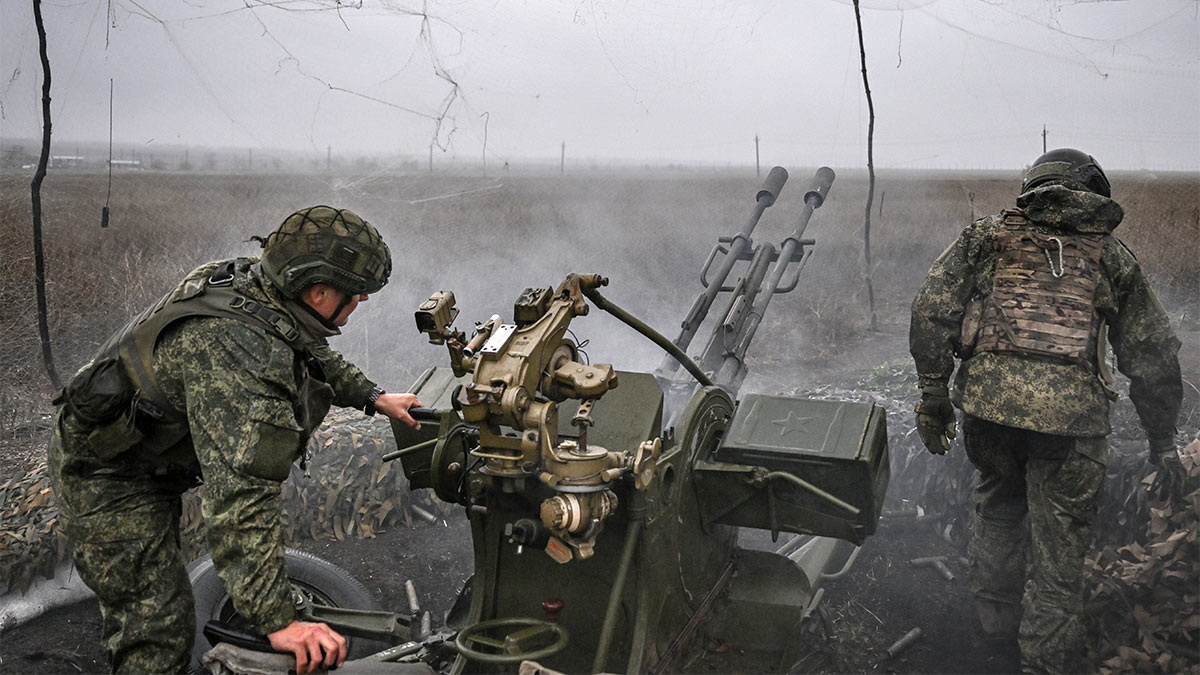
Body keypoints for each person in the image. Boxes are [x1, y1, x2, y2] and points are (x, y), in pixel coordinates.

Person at [48, 205, 424, 674]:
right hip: (108, 475)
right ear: (318, 290)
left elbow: (309, 349)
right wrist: (278, 621)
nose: (362, 302)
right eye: (355, 293)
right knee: (157, 629)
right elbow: (240, 501)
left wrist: (374, 397)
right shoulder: (239, 357)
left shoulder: (259, 287)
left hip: (149, 452)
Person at [909, 149, 1184, 673]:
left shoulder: (987, 237)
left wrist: (934, 397)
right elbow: (1152, 355)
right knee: (1060, 555)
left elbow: (931, 308)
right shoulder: (1111, 255)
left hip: (990, 412)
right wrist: (1162, 440)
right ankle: (1042, 663)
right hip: (1071, 426)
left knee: (998, 508)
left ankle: (993, 632)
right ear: (1093, 191)